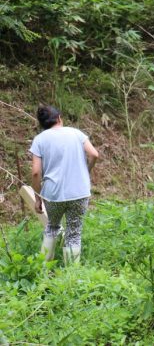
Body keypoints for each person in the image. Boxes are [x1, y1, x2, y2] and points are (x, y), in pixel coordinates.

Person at [30, 105, 99, 265]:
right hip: (79, 193)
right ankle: (71, 277)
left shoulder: (39, 139)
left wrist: (38, 198)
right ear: (59, 118)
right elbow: (94, 154)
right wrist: (86, 171)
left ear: (42, 124)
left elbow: (35, 172)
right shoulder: (76, 133)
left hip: (53, 194)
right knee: (74, 233)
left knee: (52, 227)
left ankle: (43, 269)